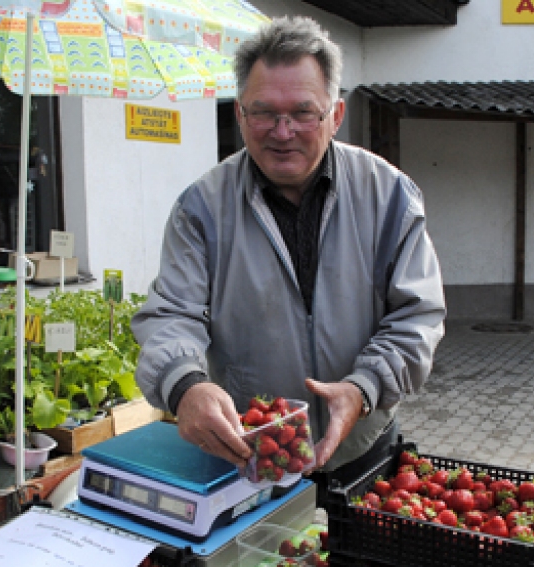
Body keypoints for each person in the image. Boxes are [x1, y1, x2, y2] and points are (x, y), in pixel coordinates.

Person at [131, 16, 446, 482]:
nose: (282, 132)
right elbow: (172, 315)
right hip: (251, 453)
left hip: (363, 448)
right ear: (240, 115)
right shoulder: (201, 208)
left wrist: (363, 388)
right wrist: (186, 386)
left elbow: (417, 315)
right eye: (263, 113)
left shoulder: (389, 195)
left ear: (335, 115)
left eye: (303, 113)